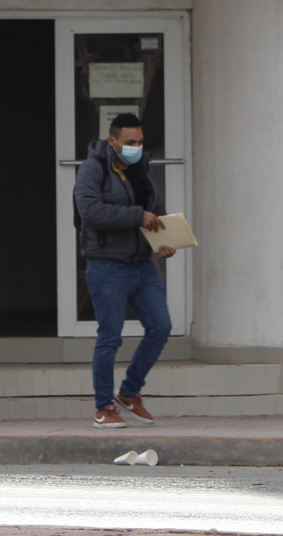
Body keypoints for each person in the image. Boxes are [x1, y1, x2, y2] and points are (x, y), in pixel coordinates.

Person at [73, 111, 176, 428]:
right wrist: (136, 216)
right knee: (110, 337)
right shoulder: (93, 168)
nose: (136, 148)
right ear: (112, 141)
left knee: (160, 326)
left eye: (140, 142)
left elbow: (156, 210)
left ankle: (130, 392)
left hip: (142, 263)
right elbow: (90, 211)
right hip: (107, 265)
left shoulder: (142, 168)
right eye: (130, 142)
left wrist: (166, 240)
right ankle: (104, 407)